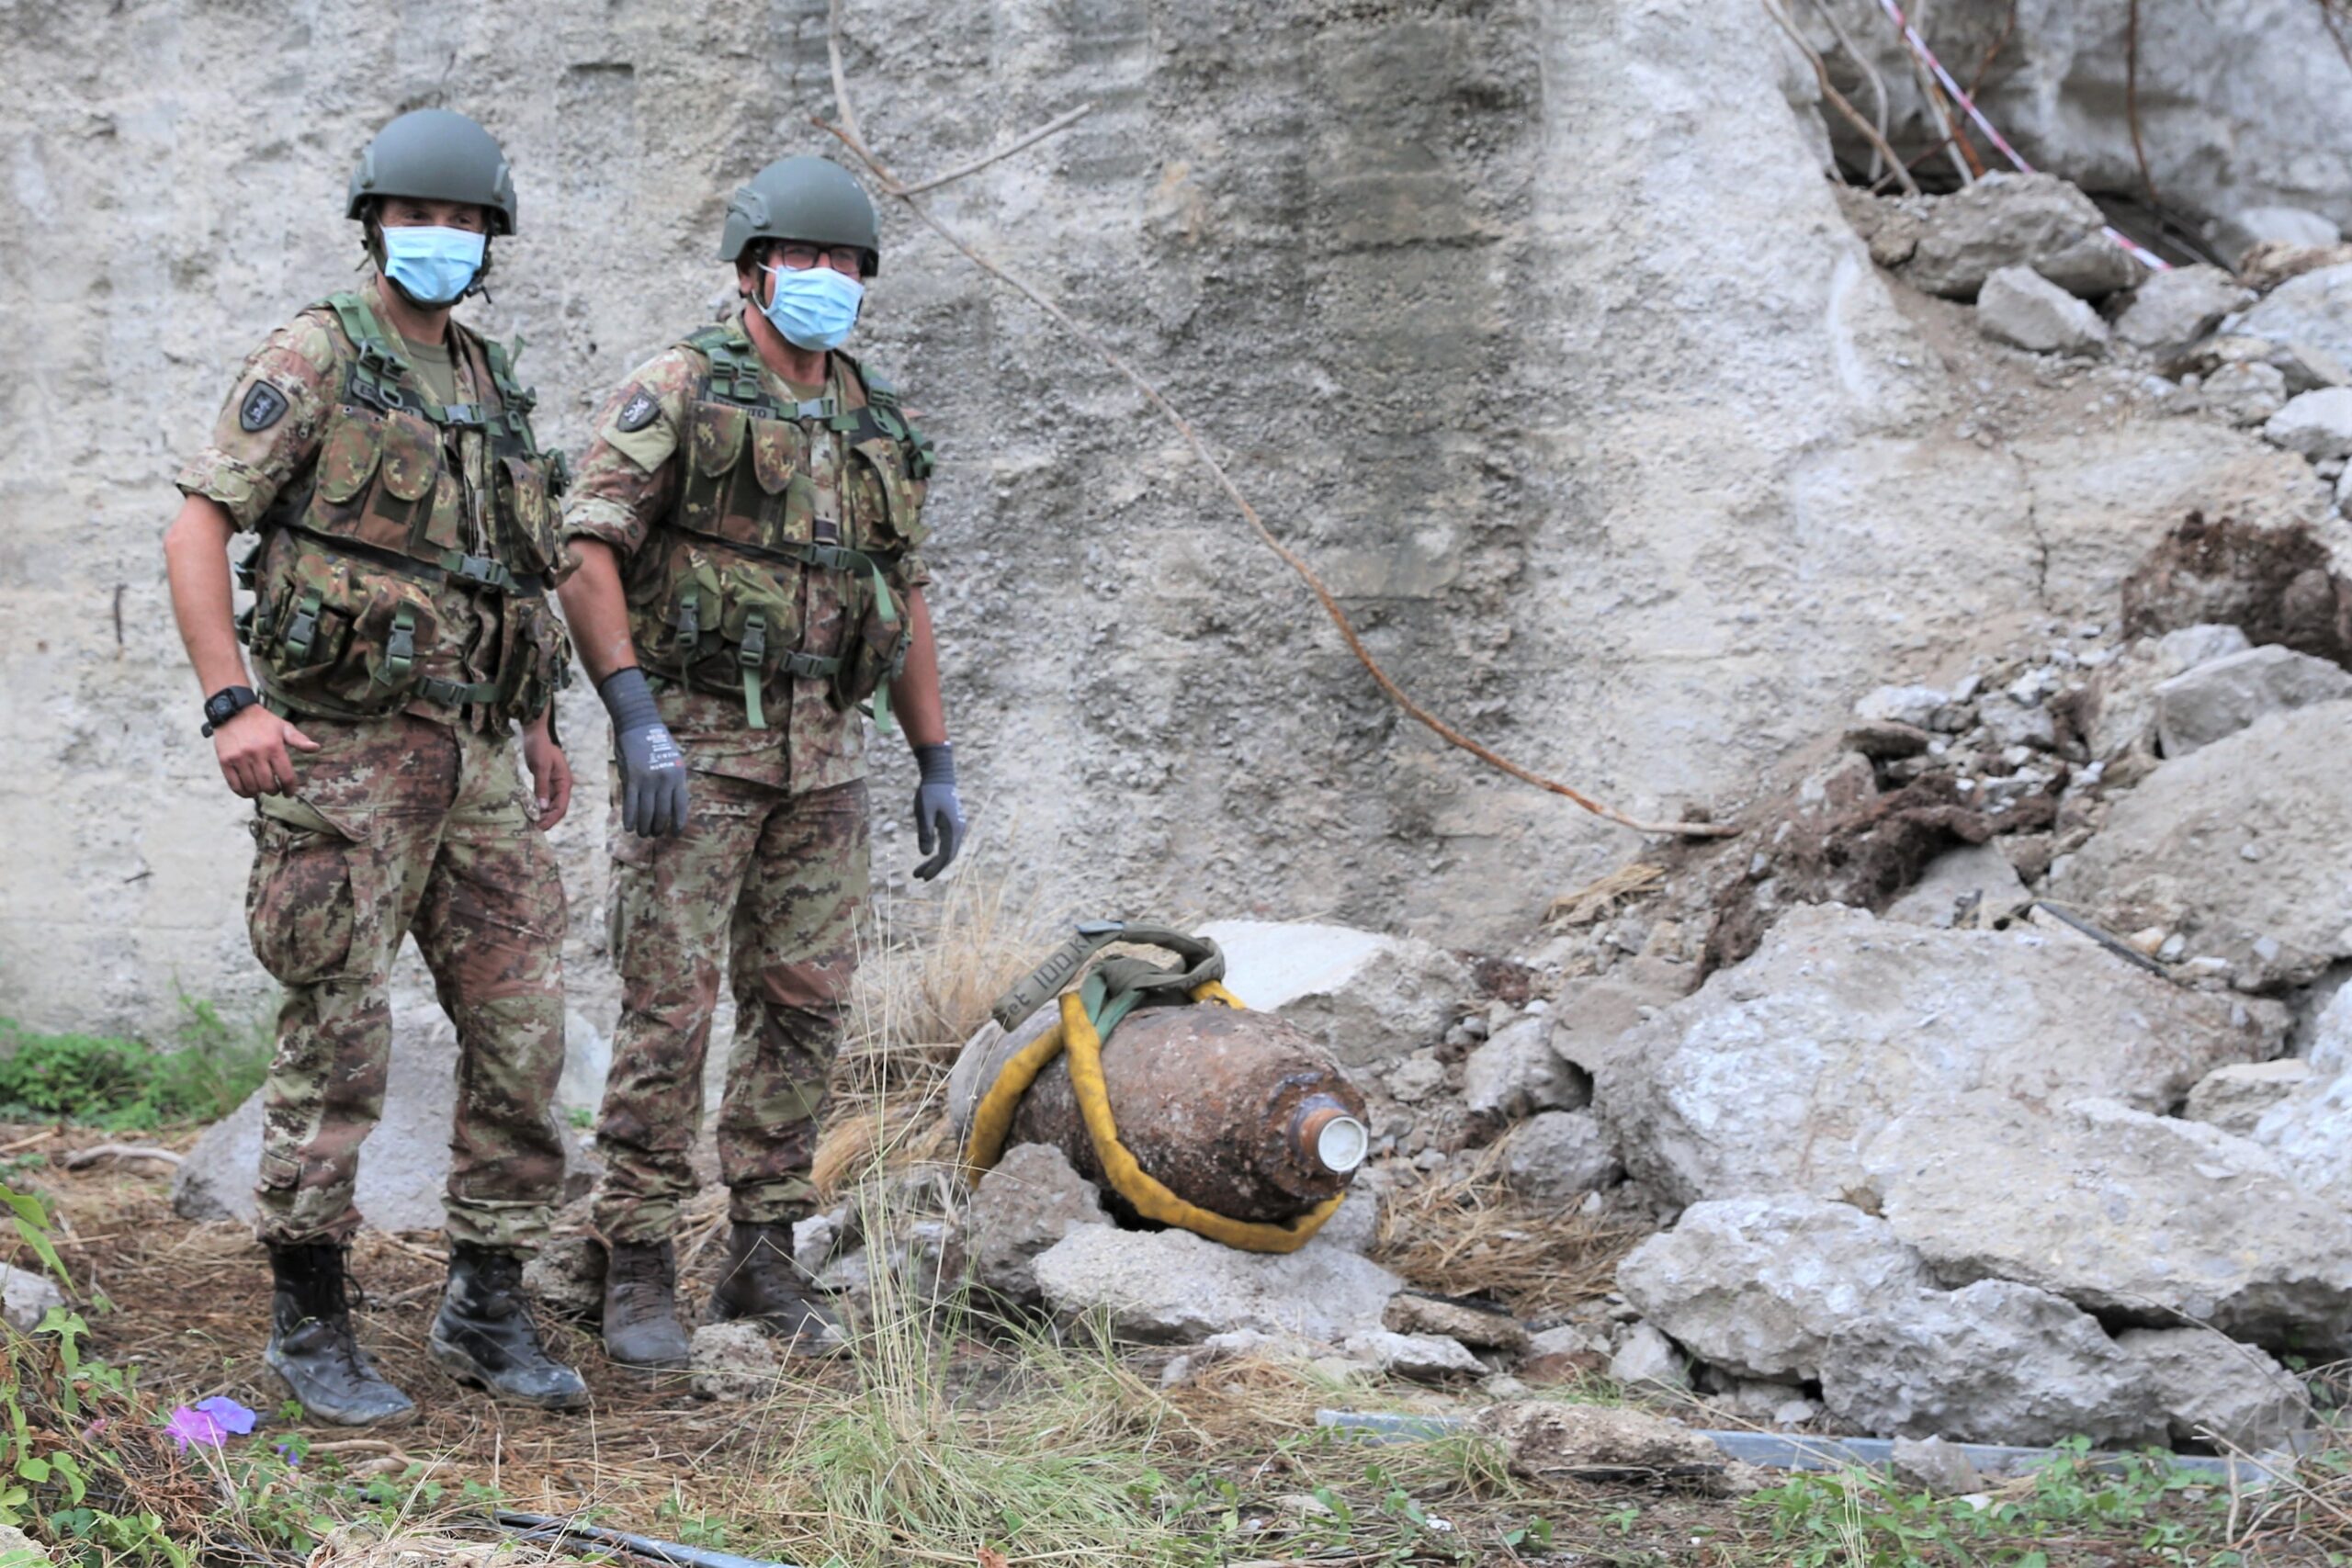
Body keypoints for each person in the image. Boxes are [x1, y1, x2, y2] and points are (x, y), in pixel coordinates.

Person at [162, 108, 587, 1424]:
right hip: (338, 756)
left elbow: (511, 569)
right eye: (420, 218)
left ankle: (487, 1301)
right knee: (337, 1036)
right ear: (376, 225)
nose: (442, 239)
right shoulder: (317, 355)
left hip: (475, 762)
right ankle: (311, 1320)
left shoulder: (490, 380)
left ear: (490, 240)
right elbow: (199, 521)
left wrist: (536, 722)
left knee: (524, 1029)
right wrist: (232, 702)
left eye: (465, 223)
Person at [558, 154, 964, 1369]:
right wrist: (635, 720)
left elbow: (905, 596)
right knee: (668, 1008)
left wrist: (935, 757)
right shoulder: (678, 386)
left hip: (828, 760)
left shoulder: (878, 421)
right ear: (753, 270)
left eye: (847, 265)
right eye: (806, 260)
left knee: (805, 1012)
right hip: (697, 749)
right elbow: (586, 554)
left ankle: (762, 1257)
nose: (827, 281)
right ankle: (633, 1262)